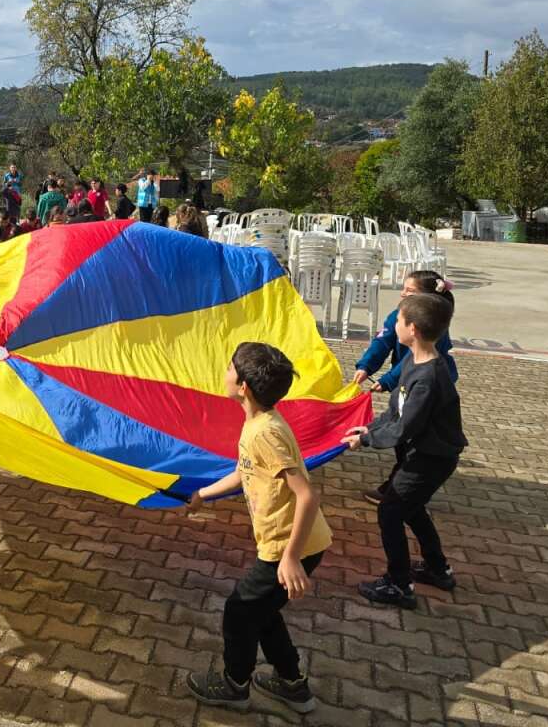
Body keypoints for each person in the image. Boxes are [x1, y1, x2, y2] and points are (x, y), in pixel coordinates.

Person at [185, 343, 331, 712]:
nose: (225, 371)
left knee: (239, 610)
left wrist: (291, 559)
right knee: (262, 612)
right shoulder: (259, 423)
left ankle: (235, 685)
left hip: (289, 546)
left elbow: (307, 496)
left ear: (244, 386)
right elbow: (242, 471)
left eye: (231, 367)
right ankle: (293, 686)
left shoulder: (264, 432)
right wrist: (204, 493)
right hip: (292, 542)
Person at [342, 292, 467, 609]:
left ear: (412, 328)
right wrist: (368, 428)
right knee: (411, 509)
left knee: (391, 511)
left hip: (430, 459)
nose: (393, 324)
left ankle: (399, 585)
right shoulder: (414, 360)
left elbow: (404, 428)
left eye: (397, 320)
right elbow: (396, 412)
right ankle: (438, 569)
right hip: (423, 455)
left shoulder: (428, 378)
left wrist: (366, 441)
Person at [354, 271, 457, 504]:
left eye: (410, 291)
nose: (402, 294)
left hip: (417, 386)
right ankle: (402, 491)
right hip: (407, 382)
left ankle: (400, 491)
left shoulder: (429, 343)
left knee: (411, 437)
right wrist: (366, 367)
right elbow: (382, 341)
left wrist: (389, 380)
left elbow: (411, 364)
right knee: (404, 432)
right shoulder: (400, 317)